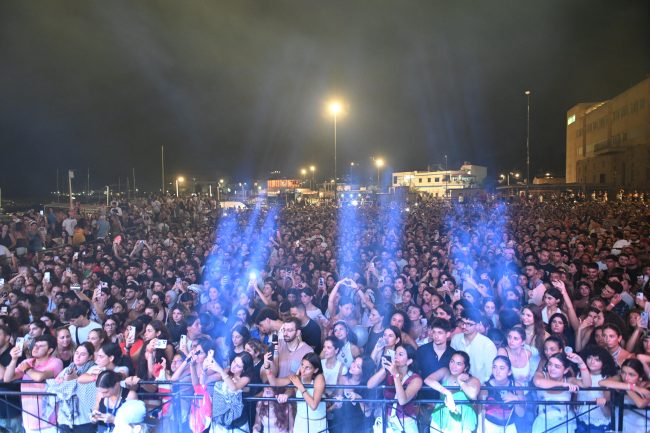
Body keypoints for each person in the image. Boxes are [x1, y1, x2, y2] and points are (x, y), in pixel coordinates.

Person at [2, 334, 63, 433]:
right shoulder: (28, 361)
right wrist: (14, 359)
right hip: (28, 420)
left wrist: (27, 369)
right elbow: (7, 378)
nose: (36, 348)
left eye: (41, 346)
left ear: (50, 350)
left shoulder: (56, 362)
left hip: (49, 422)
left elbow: (39, 377)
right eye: (35, 345)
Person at [267, 352, 328, 433]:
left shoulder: (319, 378)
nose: (303, 370)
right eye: (302, 365)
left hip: (318, 425)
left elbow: (313, 405)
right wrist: (267, 367)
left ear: (315, 370)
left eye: (307, 368)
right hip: (301, 423)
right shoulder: (297, 378)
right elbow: (273, 382)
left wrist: (300, 386)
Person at [368, 344, 423, 433]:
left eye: (400, 354)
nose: (396, 356)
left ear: (409, 361)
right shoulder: (389, 372)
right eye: (395, 353)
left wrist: (395, 375)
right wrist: (384, 368)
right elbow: (370, 385)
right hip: (387, 422)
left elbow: (402, 401)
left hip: (406, 424)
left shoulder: (416, 379)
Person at [531, 352, 591, 433]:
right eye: (550, 364)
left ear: (565, 370)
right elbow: (538, 382)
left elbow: (587, 384)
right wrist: (562, 384)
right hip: (543, 422)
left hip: (564, 423)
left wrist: (581, 363)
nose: (552, 368)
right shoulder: (541, 375)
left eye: (557, 366)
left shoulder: (568, 380)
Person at [425, 350, 480, 433]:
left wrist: (460, 381)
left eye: (458, 364)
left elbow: (473, 394)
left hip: (461, 422)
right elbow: (428, 380)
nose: (454, 366)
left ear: (465, 367)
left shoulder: (472, 380)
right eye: (452, 361)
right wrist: (447, 393)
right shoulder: (445, 372)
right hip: (441, 418)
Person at [599, 359, 650, 433]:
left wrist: (626, 387)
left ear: (640, 377)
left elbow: (640, 404)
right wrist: (631, 387)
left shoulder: (647, 386)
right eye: (623, 372)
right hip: (621, 427)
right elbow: (601, 383)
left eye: (631, 375)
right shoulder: (620, 379)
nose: (626, 378)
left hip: (642, 429)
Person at [575, 345, 617, 433]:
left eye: (597, 360)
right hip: (581, 420)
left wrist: (603, 404)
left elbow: (608, 410)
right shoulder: (579, 374)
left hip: (599, 423)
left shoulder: (607, 379)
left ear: (604, 362)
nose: (592, 362)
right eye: (589, 358)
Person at [478, 356, 525, 433]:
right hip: (489, 426)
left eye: (502, 368)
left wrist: (516, 399)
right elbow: (480, 413)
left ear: (509, 372)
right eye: (494, 367)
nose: (497, 371)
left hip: (509, 426)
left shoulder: (516, 386)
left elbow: (521, 414)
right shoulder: (486, 387)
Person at [450, 308, 497, 383]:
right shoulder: (456, 339)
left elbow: (490, 371)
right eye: (462, 322)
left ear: (478, 324)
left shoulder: (487, 345)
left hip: (481, 386)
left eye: (469, 324)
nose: (464, 326)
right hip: (458, 384)